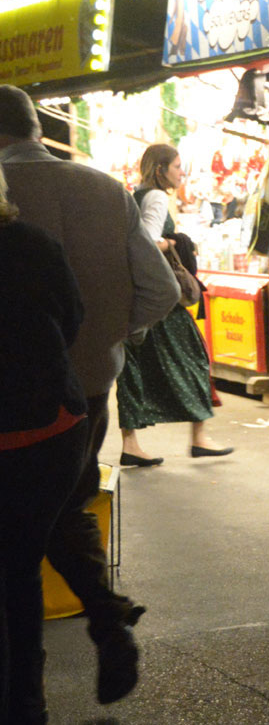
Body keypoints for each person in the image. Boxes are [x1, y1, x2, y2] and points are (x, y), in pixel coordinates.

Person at [0, 85, 179, 707]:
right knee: (59, 507)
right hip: (89, 392)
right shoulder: (106, 189)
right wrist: (107, 340)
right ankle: (107, 619)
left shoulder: (3, 195)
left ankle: (35, 685)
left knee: (29, 530)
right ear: (34, 129)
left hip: (14, 399)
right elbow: (161, 293)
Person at [0, 164, 88, 725]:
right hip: (46, 427)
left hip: (32, 426)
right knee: (19, 566)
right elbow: (71, 317)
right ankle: (26, 702)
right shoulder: (32, 243)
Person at [115, 144, 232, 465]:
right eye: (178, 166)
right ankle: (199, 437)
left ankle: (131, 444)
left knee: (133, 368)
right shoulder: (155, 198)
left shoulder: (133, 196)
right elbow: (148, 241)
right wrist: (174, 242)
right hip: (161, 300)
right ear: (160, 170)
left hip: (135, 296)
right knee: (195, 359)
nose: (182, 173)